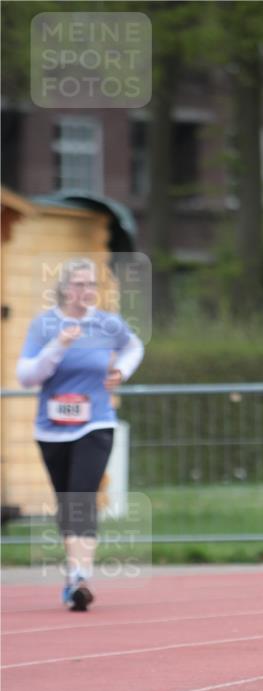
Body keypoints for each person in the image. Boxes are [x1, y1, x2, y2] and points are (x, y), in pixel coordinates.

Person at [16, 257, 144, 610]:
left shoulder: (107, 323)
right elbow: (26, 376)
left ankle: (79, 578)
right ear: (63, 289)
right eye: (79, 284)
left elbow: (134, 347)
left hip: (96, 423)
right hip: (52, 429)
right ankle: (74, 575)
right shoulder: (44, 325)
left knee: (82, 498)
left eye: (91, 285)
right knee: (66, 502)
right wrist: (58, 345)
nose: (86, 291)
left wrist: (120, 370)